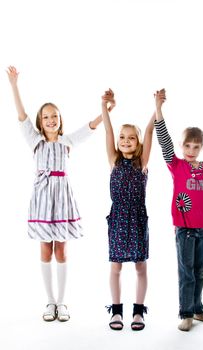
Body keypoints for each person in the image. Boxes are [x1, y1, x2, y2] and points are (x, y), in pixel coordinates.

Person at [7, 66, 115, 322]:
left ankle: (63, 303)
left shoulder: (67, 142)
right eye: (46, 117)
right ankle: (50, 302)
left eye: (54, 116)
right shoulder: (35, 141)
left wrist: (106, 109)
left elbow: (90, 128)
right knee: (45, 250)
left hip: (63, 200)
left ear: (60, 119)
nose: (51, 120)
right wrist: (14, 85)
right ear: (40, 122)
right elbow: (21, 116)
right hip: (43, 201)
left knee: (62, 251)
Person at [154, 89, 203, 331]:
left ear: (201, 147)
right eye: (187, 145)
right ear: (182, 146)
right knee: (187, 274)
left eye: (196, 146)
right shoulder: (177, 166)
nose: (191, 150)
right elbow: (164, 140)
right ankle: (186, 314)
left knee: (200, 273)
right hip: (185, 230)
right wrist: (158, 109)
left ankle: (198, 309)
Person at [102, 88, 159, 331]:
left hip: (136, 219)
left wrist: (157, 108)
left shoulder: (142, 163)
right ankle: (116, 311)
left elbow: (149, 131)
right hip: (117, 219)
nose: (125, 140)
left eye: (131, 138)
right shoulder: (114, 160)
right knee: (115, 267)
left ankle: (138, 311)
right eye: (122, 137)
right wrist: (104, 107)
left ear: (138, 143)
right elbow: (107, 130)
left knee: (140, 266)